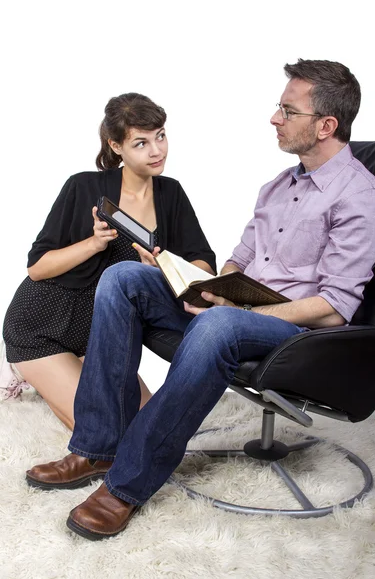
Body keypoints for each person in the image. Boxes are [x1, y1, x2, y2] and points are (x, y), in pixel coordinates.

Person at [26, 59, 375, 540]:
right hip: (238, 311)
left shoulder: (361, 199)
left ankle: (127, 484)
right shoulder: (279, 187)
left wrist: (241, 311)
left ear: (326, 125)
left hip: (300, 336)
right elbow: (238, 260)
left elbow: (333, 307)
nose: (274, 118)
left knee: (217, 326)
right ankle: (99, 445)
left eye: (288, 110)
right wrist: (214, 288)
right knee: (123, 277)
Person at [2, 93, 216, 429]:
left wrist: (164, 271)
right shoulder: (82, 186)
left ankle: (58, 380)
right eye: (140, 143)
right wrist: (93, 243)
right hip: (41, 325)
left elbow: (202, 262)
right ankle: (25, 368)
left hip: (102, 338)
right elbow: (37, 267)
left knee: (149, 429)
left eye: (160, 136)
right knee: (104, 433)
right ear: (115, 146)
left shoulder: (170, 193)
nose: (156, 150)